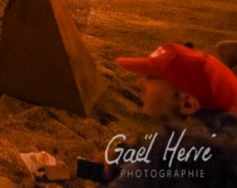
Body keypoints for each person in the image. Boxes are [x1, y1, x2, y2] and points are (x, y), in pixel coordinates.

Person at [100, 42, 237, 185]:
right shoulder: (222, 131)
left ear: (187, 104)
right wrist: (124, 152)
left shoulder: (170, 160)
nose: (140, 82)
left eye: (152, 77)